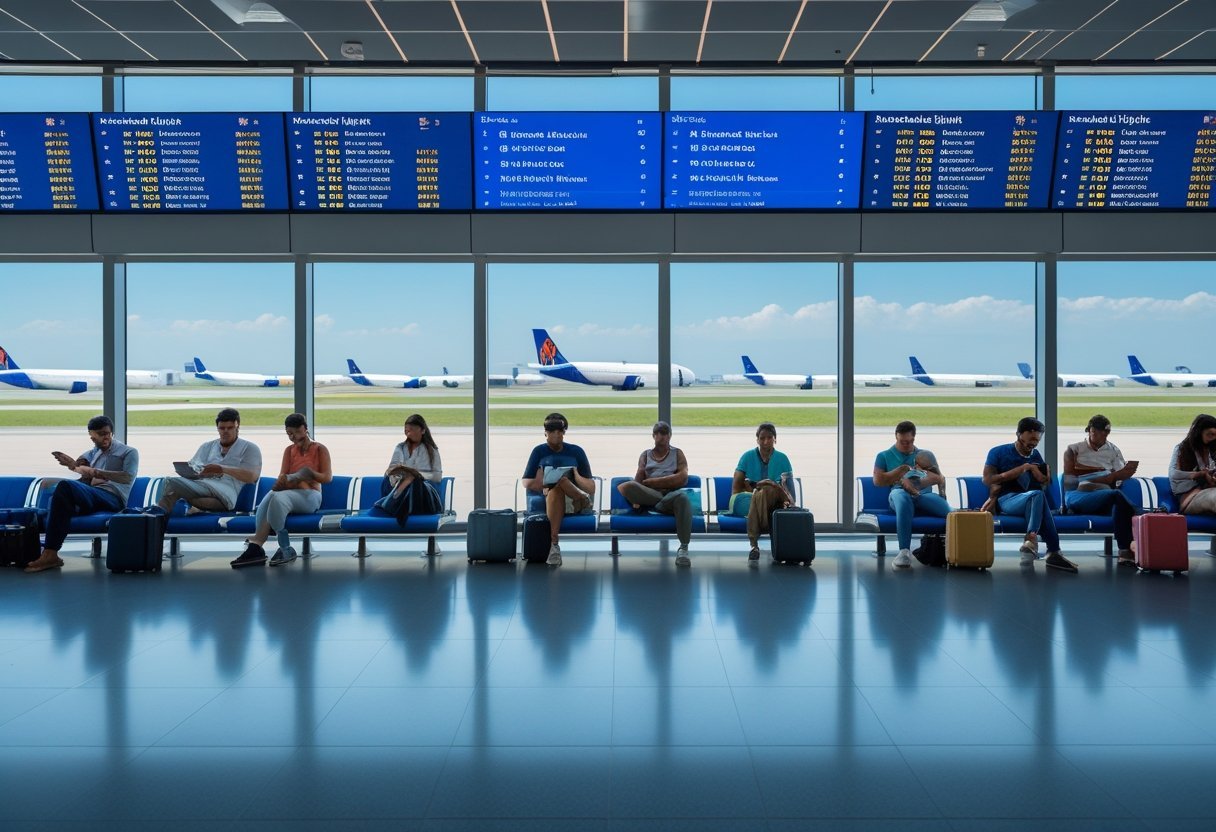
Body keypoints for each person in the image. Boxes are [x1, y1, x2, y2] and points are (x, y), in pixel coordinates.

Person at [25, 415, 139, 574]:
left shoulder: (128, 452)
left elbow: (127, 477)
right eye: (97, 436)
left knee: (64, 489)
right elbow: (81, 469)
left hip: (113, 497)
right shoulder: (94, 453)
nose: (103, 437)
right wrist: (71, 467)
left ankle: (49, 553)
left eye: (106, 433)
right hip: (92, 495)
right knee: (54, 499)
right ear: (92, 437)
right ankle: (46, 554)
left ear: (111, 432)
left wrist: (96, 473)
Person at [231, 413, 332, 568]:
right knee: (272, 496)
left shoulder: (319, 449)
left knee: (277, 498)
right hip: (292, 492)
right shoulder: (289, 451)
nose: (293, 437)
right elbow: (282, 476)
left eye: (297, 432)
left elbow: (327, 477)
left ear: (305, 429)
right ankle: (257, 544)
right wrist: (286, 481)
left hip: (311, 496)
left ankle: (284, 546)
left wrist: (309, 474)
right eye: (289, 434)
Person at [983, 416, 1078, 573]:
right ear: (1019, 434)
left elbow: (1043, 484)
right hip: (1007, 500)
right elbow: (987, 480)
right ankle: (1042, 544)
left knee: (1038, 496)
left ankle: (1051, 551)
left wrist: (1043, 477)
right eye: (1030, 440)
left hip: (1031, 502)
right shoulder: (999, 452)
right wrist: (1023, 468)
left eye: (1036, 441)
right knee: (1037, 496)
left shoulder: (1036, 456)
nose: (1033, 445)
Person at [1063, 414, 1140, 566]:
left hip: (1105, 494)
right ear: (1089, 431)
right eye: (1096, 432)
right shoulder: (1074, 449)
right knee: (1117, 497)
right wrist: (1098, 473)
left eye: (1105, 433)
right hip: (1079, 494)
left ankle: (1125, 552)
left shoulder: (1113, 450)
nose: (1101, 437)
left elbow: (1119, 477)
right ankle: (1130, 543)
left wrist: (1117, 476)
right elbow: (1069, 480)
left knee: (1117, 501)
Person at [873, 420, 951, 569]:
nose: (906, 445)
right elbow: (878, 481)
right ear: (896, 437)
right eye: (902, 442)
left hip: (923, 495)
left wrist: (940, 495)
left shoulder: (924, 455)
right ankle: (904, 551)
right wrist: (901, 472)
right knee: (902, 499)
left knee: (949, 512)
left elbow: (939, 478)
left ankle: (957, 549)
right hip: (898, 493)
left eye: (909, 442)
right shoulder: (884, 456)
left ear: (914, 438)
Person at [522, 412, 595, 567]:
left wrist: (576, 475)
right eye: (552, 431)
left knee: (563, 481)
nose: (556, 435)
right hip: (553, 499)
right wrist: (542, 485)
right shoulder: (539, 452)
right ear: (545, 433)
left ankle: (580, 497)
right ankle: (554, 545)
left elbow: (591, 487)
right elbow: (526, 482)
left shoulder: (576, 452)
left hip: (573, 501)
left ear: (564, 432)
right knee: (558, 486)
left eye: (560, 431)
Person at [156, 407, 262, 514]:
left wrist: (222, 469)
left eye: (230, 428)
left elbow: (252, 477)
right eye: (222, 428)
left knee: (170, 482)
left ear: (237, 426)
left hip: (225, 494)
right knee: (173, 492)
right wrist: (195, 473)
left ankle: (155, 514)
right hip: (203, 488)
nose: (225, 431)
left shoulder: (249, 448)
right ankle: (157, 519)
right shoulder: (207, 447)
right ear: (217, 428)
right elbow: (194, 467)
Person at [618, 421, 694, 566]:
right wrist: (638, 494)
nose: (661, 436)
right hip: (650, 495)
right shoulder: (645, 455)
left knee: (682, 497)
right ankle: (651, 502)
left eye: (664, 433)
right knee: (627, 486)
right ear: (653, 436)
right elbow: (638, 480)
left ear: (670, 436)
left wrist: (653, 482)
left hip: (669, 497)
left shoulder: (677, 453)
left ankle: (683, 549)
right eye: (658, 433)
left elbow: (682, 478)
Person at [731, 422, 795, 562]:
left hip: (775, 500)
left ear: (775, 439)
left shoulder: (782, 459)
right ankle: (767, 528)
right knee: (760, 493)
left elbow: (789, 495)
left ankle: (754, 545)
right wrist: (762, 486)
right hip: (746, 499)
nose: (766, 442)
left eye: (770, 437)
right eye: (762, 438)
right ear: (757, 440)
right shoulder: (747, 457)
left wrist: (763, 485)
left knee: (765, 490)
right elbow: (736, 489)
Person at [378, 413, 443, 524]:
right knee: (395, 478)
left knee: (413, 479)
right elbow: (392, 470)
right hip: (398, 486)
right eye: (406, 430)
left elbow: (437, 477)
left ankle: (390, 506)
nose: (408, 433)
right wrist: (397, 478)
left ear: (422, 431)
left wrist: (417, 475)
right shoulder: (400, 447)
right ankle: (401, 506)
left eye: (412, 430)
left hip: (423, 495)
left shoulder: (431, 450)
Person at [1168, 413, 1216, 515]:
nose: (1213, 438)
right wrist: (1199, 474)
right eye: (1210, 434)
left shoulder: (1212, 451)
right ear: (1199, 433)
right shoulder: (1182, 449)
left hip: (1209, 489)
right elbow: (1173, 474)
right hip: (1191, 496)